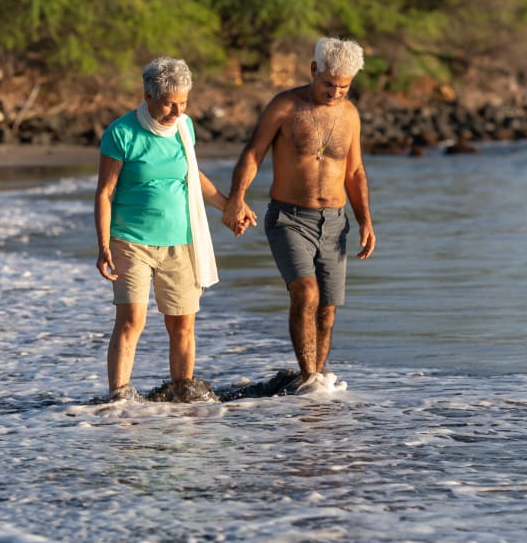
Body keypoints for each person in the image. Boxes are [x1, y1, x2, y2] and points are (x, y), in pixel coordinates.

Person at [95, 57, 255, 402]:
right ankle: (119, 400)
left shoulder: (185, 127)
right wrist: (103, 245)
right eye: (169, 103)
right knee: (131, 321)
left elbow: (191, 176)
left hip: (181, 241)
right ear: (148, 95)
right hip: (130, 241)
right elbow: (105, 193)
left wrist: (230, 205)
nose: (176, 110)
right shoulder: (121, 134)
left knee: (182, 324)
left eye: (183, 103)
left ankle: (183, 398)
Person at [222, 37, 376, 390]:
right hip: (289, 219)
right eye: (328, 84)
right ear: (313, 70)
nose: (336, 93)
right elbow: (253, 153)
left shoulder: (350, 114)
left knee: (328, 308)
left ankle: (316, 383)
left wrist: (366, 219)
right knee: (306, 293)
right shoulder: (285, 106)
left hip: (335, 222)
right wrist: (237, 198)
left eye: (344, 87)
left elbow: (355, 172)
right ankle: (308, 378)